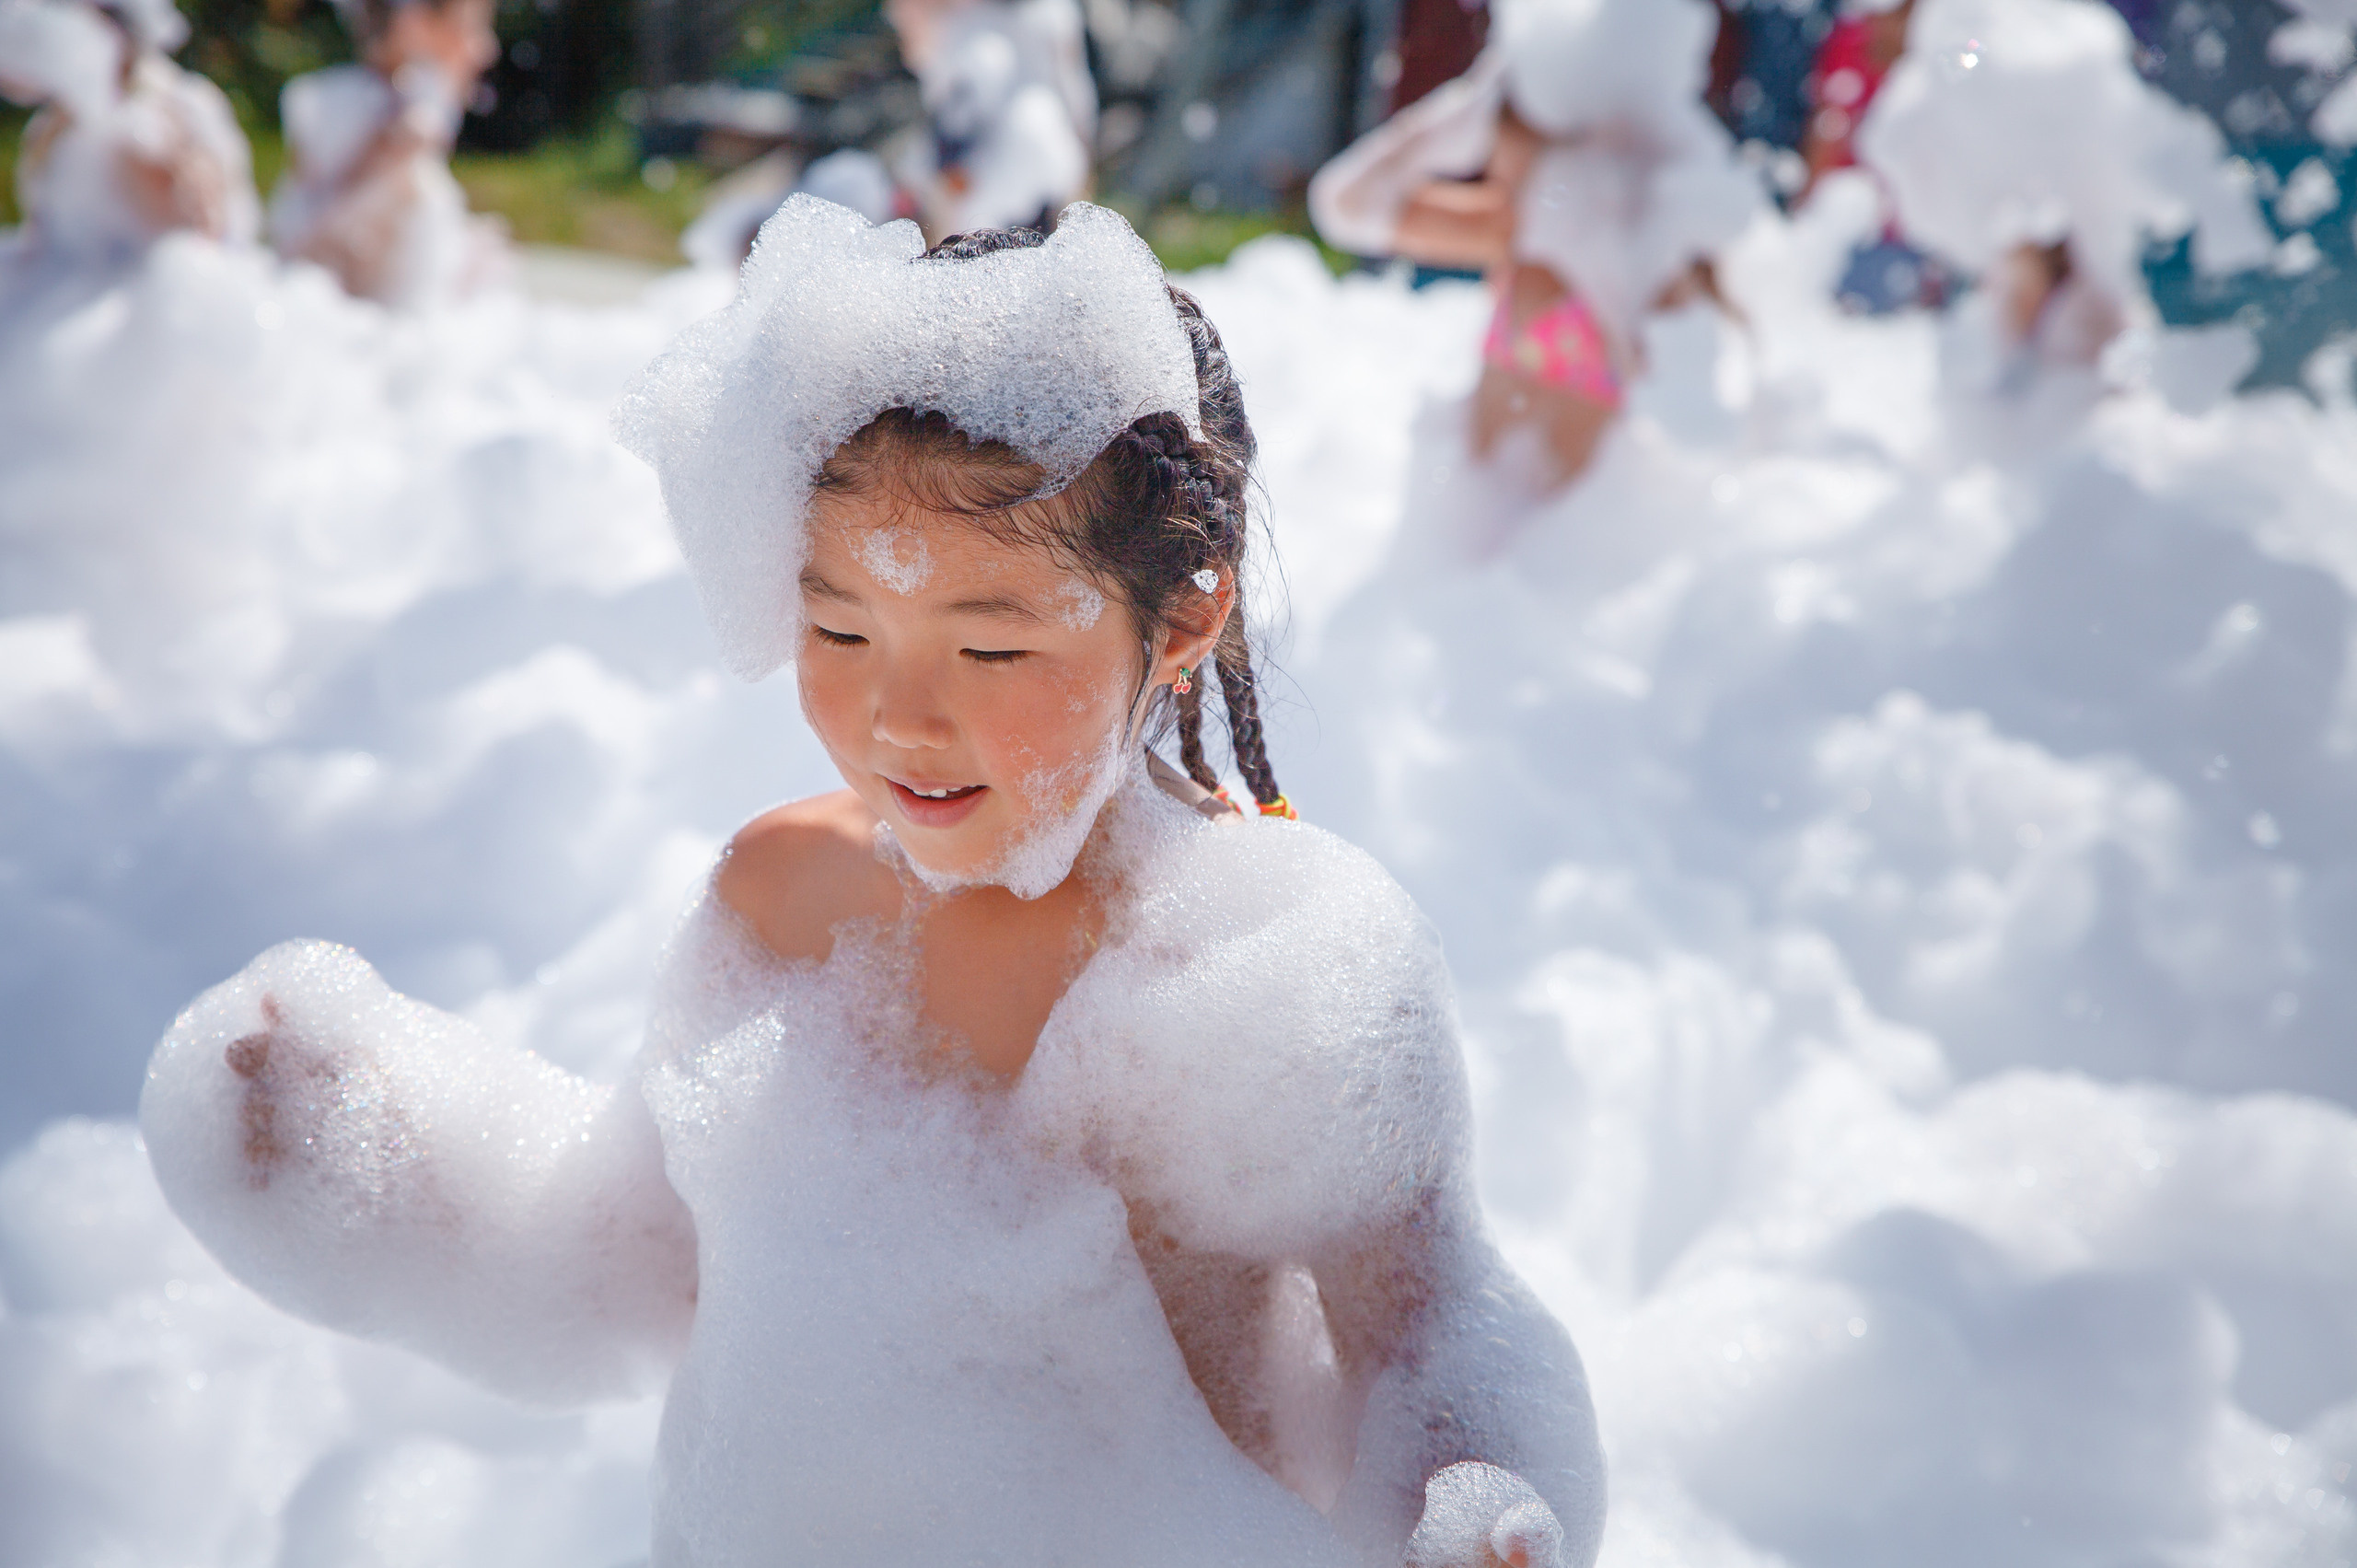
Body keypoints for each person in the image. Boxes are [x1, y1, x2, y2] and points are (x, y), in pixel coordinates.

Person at [140, 199, 1607, 1568]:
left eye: (990, 648)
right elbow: (631, 1262)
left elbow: (1436, 1335)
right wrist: (373, 1162)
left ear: (1184, 616)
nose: (902, 717)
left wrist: (1479, 1504)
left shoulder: (1275, 968)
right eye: (840, 631)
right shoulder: (782, 899)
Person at [1310, 0, 1757, 491]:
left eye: (1494, 137)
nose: (1484, 160)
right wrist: (1472, 98)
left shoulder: (1638, 247)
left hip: (1579, 537)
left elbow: (1696, 426)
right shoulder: (1504, 227)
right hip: (1484, 532)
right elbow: (1342, 204)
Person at [265, 0, 505, 306]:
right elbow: (312, 254)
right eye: (472, 27)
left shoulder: (393, 112)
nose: (487, 49)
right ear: (414, 25)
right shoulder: (405, 129)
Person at [0, 0, 256, 264]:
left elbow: (209, 228)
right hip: (63, 284)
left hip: (151, 286)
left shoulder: (179, 107)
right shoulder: (53, 125)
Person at [888, 0, 1094, 238]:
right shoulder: (963, 22)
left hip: (1011, 168)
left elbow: (1073, 91)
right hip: (1004, 170)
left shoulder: (1046, 16)